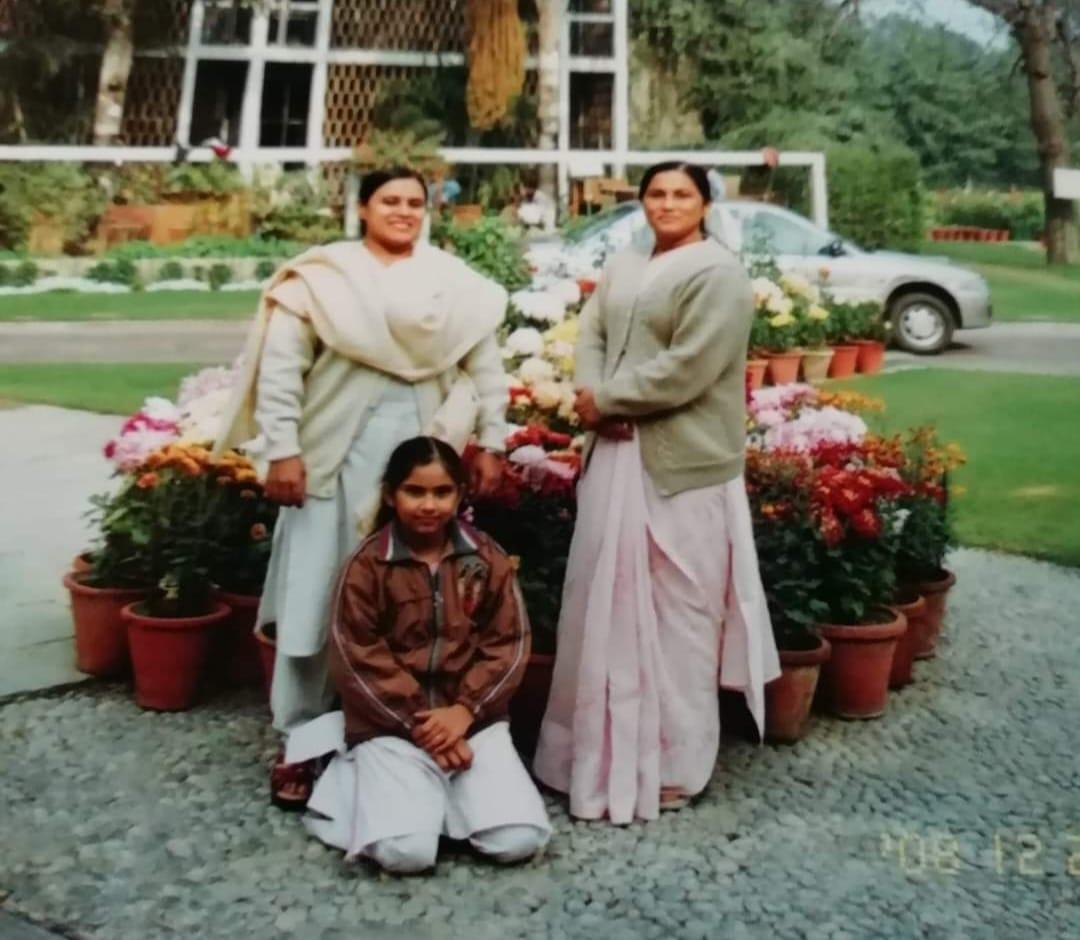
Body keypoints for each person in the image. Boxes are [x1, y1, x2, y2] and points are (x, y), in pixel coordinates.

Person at [212, 167, 510, 810]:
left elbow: (485, 370)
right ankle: (302, 739)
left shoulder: (453, 286)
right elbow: (284, 373)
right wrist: (282, 451)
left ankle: (401, 728)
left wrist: (492, 441)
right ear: (362, 208)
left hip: (422, 470)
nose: (403, 212)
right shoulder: (321, 279)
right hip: (331, 458)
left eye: (414, 203)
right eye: (389, 201)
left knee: (419, 600)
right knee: (316, 597)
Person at [532, 161, 782, 825]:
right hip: (615, 452)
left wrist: (610, 399)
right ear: (641, 202)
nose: (668, 204)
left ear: (704, 203)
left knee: (679, 610)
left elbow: (692, 367)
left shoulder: (718, 271)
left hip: (684, 462)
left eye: (682, 193)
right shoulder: (627, 262)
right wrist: (590, 399)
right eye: (656, 193)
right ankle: (586, 752)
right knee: (599, 599)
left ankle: (675, 763)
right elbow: (593, 332)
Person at [283, 437, 552, 873]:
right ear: (391, 494)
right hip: (392, 725)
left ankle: (440, 800)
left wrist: (465, 710)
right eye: (415, 491)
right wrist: (421, 725)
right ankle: (349, 777)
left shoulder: (486, 560)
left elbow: (509, 642)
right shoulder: (367, 566)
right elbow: (357, 656)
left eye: (442, 492)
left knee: (516, 841)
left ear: (460, 494)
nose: (429, 505)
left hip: (471, 723)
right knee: (406, 853)